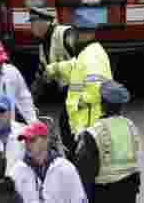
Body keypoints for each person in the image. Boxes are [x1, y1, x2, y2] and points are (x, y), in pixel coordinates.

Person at [43, 12, 111, 153]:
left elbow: (96, 90)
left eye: (73, 34)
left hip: (87, 127)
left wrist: (77, 104)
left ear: (82, 34)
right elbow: (74, 66)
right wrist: (53, 69)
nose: (71, 39)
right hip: (84, 125)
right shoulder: (89, 52)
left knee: (84, 169)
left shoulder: (91, 56)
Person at [73, 81, 139, 203]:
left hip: (104, 193)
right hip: (129, 191)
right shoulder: (131, 126)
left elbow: (85, 171)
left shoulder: (94, 132)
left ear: (102, 104)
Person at [9, 122, 86, 203]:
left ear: (46, 140)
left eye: (32, 140)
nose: (27, 144)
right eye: (25, 140)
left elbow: (79, 199)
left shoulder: (65, 168)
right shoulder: (17, 171)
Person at [0, 42, 35, 124]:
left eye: (1, 61)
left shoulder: (12, 71)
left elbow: (24, 98)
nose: (0, 65)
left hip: (9, 129)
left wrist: (33, 121)